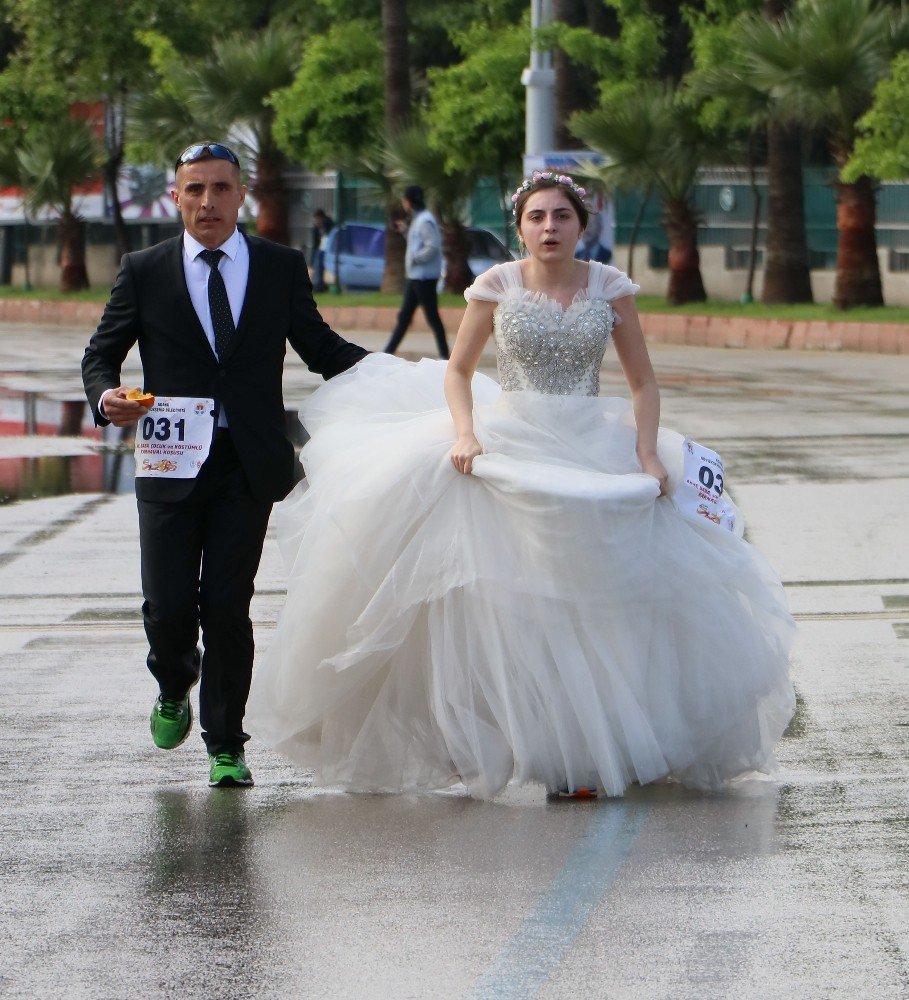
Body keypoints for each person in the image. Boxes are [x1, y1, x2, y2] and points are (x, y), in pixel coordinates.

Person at [247, 171, 795, 800]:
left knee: (596, 593)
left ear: (581, 225)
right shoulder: (495, 286)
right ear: (520, 227)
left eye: (562, 216)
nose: (549, 228)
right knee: (513, 600)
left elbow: (643, 381)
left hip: (591, 443)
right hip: (513, 436)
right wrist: (465, 432)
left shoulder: (610, 287)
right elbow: (458, 374)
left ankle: (587, 753)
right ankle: (500, 739)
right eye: (536, 218)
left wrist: (647, 452)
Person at [81, 142, 367, 788]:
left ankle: (225, 745)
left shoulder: (278, 267)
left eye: (219, 189)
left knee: (228, 606)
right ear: (175, 198)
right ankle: (173, 681)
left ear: (242, 196)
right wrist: (108, 396)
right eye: (193, 190)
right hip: (168, 463)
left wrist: (395, 378)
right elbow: (101, 354)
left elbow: (319, 347)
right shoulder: (144, 270)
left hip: (248, 463)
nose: (206, 202)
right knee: (168, 605)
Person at [384, 185, 450, 359]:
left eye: (405, 200)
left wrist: (416, 258)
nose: (403, 203)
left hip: (424, 277)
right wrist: (405, 231)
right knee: (404, 317)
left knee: (432, 317)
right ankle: (387, 353)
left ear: (410, 201)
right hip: (415, 277)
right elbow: (418, 243)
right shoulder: (418, 219)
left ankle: (446, 356)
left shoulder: (425, 220)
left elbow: (432, 246)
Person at [310, 208, 334, 293]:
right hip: (321, 251)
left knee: (319, 258)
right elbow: (315, 245)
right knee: (317, 258)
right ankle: (318, 285)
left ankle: (319, 285)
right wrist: (311, 260)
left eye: (318, 219)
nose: (317, 221)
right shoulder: (315, 229)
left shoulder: (329, 224)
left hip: (331, 250)